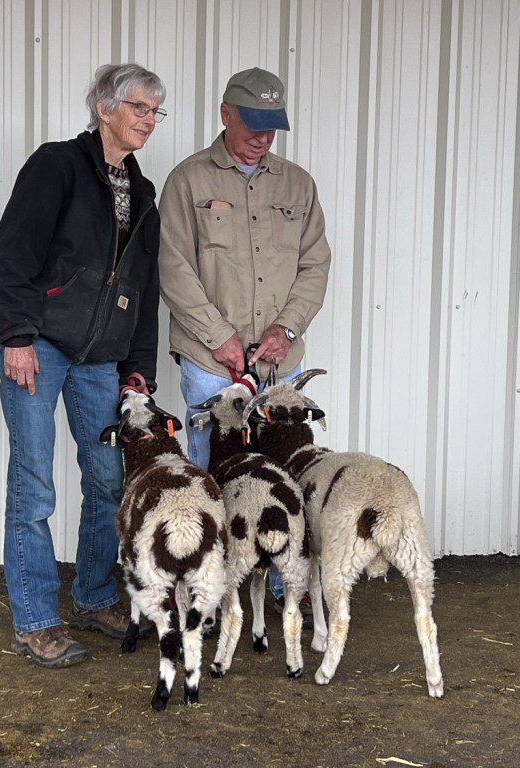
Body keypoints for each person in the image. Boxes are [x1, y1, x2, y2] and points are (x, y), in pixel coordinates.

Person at [0, 63, 167, 668]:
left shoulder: (143, 194)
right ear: (103, 108)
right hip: (38, 345)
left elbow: (143, 290)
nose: (148, 120)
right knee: (33, 482)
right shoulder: (57, 165)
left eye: (155, 111)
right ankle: (35, 620)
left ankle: (92, 596)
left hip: (101, 359)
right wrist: (16, 334)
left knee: (108, 479)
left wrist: (138, 370)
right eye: (139, 107)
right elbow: (11, 252)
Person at [157, 66, 331, 611]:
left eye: (272, 126)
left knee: (284, 467)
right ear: (225, 114)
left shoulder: (298, 184)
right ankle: (212, 586)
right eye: (252, 124)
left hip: (280, 363)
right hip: (212, 361)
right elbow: (172, 267)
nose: (262, 137)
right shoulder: (188, 181)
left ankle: (285, 585)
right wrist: (219, 336)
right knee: (215, 471)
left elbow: (315, 265)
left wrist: (287, 328)